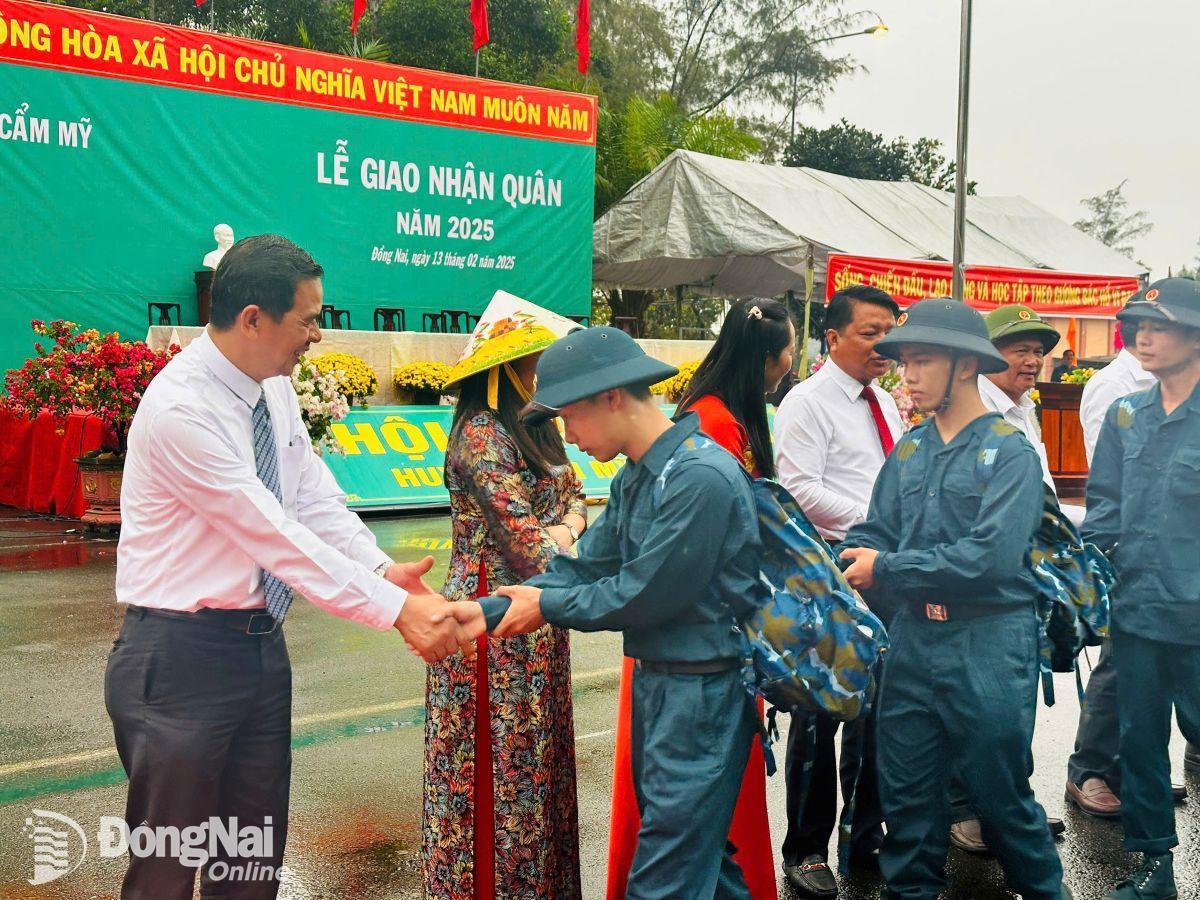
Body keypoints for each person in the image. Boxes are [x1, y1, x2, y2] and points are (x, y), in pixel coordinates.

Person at [106, 234, 466, 899]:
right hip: (179, 659)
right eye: (308, 319)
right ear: (252, 319)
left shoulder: (270, 390)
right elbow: (270, 533)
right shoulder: (183, 409)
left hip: (258, 655)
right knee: (166, 867)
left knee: (249, 865)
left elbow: (310, 498)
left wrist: (382, 570)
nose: (319, 335)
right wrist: (395, 612)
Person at [454, 326, 765, 899]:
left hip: (701, 696)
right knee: (701, 862)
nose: (567, 437)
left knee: (666, 875)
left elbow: (644, 593)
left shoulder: (700, 477)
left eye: (568, 417)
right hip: (664, 690)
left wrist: (545, 604)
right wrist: (486, 611)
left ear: (611, 396)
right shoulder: (639, 476)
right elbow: (587, 564)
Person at [839, 299, 1069, 900]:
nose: (905, 375)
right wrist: (844, 559)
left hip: (989, 643)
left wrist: (884, 566)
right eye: (903, 362)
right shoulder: (911, 450)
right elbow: (875, 530)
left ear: (965, 366)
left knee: (1001, 804)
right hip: (913, 643)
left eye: (920, 360)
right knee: (909, 806)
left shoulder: (1009, 453)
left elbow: (987, 560)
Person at [604, 296, 792, 900]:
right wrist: (539, 602)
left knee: (700, 838)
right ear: (768, 356)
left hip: (702, 643)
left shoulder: (716, 417)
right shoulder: (713, 431)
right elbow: (661, 568)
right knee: (689, 829)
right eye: (789, 353)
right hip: (693, 651)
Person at [423, 293, 586, 899]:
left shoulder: (535, 429)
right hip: (491, 619)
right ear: (505, 372)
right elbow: (530, 548)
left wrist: (564, 528)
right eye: (536, 360)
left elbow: (577, 498)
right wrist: (568, 530)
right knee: (498, 771)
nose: (544, 370)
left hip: (537, 617)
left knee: (538, 767)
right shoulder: (482, 437)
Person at [773, 284, 900, 897]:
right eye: (872, 332)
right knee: (821, 711)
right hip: (829, 568)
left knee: (878, 711)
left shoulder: (887, 402)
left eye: (890, 331)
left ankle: (866, 833)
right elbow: (798, 490)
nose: (886, 344)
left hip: (882, 566)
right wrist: (878, 521)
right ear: (832, 337)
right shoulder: (807, 402)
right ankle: (805, 848)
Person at [1084, 278, 1200, 900]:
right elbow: (1103, 510)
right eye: (1137, 326)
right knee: (1141, 744)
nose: (1143, 336)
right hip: (1137, 612)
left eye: (1160, 325)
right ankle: (1155, 868)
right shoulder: (1127, 413)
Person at [948, 304, 1067, 854]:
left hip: (1025, 579)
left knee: (1012, 699)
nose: (1033, 358)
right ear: (985, 357)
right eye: (1019, 348)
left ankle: (1009, 808)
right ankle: (970, 812)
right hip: (983, 582)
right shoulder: (975, 416)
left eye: (1038, 349)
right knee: (981, 702)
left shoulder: (1023, 411)